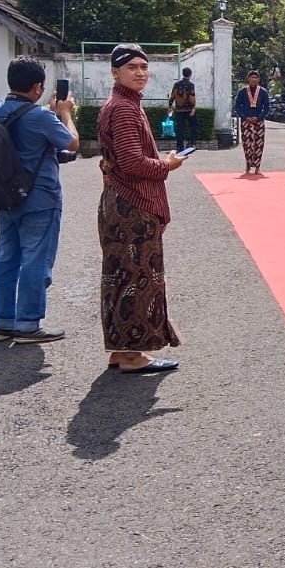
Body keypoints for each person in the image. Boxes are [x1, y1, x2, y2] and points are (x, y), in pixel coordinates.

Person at [97, 44, 184, 374]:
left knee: (121, 276)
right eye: (131, 67)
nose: (140, 72)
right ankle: (133, 354)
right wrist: (167, 165)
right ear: (115, 72)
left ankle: (121, 350)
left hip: (120, 202)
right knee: (139, 276)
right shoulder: (123, 108)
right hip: (132, 205)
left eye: (144, 67)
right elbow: (133, 163)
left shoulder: (121, 104)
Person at [0, 57, 78, 344]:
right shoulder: (41, 117)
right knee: (35, 260)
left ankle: (1, 322)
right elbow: (72, 143)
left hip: (4, 196)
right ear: (38, 86)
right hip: (40, 198)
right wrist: (64, 113)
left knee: (5, 257)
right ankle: (28, 324)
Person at [233, 70, 270, 175]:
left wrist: (259, 117)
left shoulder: (263, 92)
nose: (254, 79)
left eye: (256, 77)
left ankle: (258, 167)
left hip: (259, 122)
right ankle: (248, 165)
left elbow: (267, 107)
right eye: (252, 77)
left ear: (258, 79)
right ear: (248, 79)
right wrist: (245, 117)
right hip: (246, 122)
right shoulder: (242, 92)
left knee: (259, 144)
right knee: (247, 144)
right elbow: (237, 107)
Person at [170, 67, 198, 151]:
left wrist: (169, 106)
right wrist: (193, 108)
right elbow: (192, 97)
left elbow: (172, 96)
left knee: (179, 129)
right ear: (190, 75)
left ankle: (180, 146)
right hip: (189, 110)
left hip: (179, 110)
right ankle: (191, 143)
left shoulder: (176, 84)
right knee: (194, 125)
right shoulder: (190, 85)